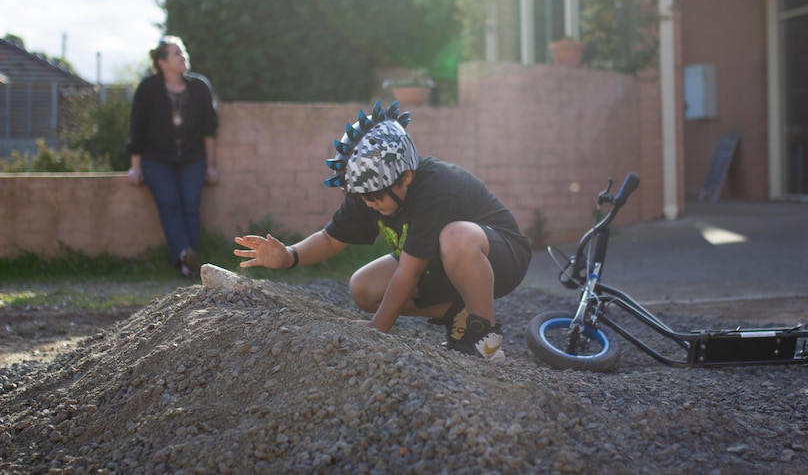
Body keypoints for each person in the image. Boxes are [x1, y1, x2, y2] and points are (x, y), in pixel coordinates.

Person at [234, 101, 531, 360]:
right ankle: (456, 314)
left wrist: (378, 328)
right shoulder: (369, 191)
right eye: (364, 196)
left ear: (405, 177)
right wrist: (288, 256)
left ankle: (484, 335)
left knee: (456, 236)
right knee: (363, 288)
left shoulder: (438, 187)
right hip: (442, 266)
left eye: (376, 196)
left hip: (500, 257)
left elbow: (409, 271)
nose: (370, 203)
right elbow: (330, 238)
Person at [127, 35, 219, 278]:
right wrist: (135, 167)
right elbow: (137, 128)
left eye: (183, 51)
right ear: (162, 61)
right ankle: (183, 255)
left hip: (192, 158)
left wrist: (210, 165)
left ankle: (191, 260)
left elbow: (209, 130)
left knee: (190, 206)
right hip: (156, 160)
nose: (183, 57)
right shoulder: (148, 88)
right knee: (169, 205)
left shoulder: (199, 87)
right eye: (176, 53)